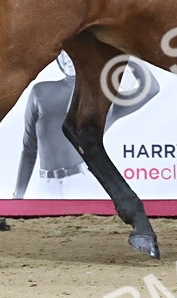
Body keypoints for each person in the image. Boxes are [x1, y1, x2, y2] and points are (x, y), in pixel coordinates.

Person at [14, 53, 160, 199]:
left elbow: (150, 89)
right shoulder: (40, 92)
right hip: (46, 187)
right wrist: (18, 196)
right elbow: (29, 149)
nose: (66, 58)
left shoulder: (102, 97)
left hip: (84, 184)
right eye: (63, 52)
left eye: (72, 51)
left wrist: (126, 54)